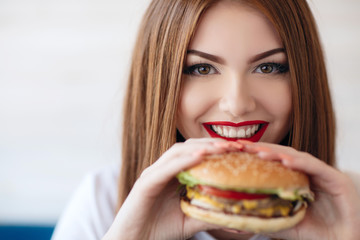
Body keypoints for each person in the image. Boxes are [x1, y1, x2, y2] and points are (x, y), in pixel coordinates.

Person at [51, 0, 360, 239]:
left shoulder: (352, 206)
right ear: (160, 82)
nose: (237, 105)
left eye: (268, 67)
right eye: (201, 68)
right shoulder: (102, 201)